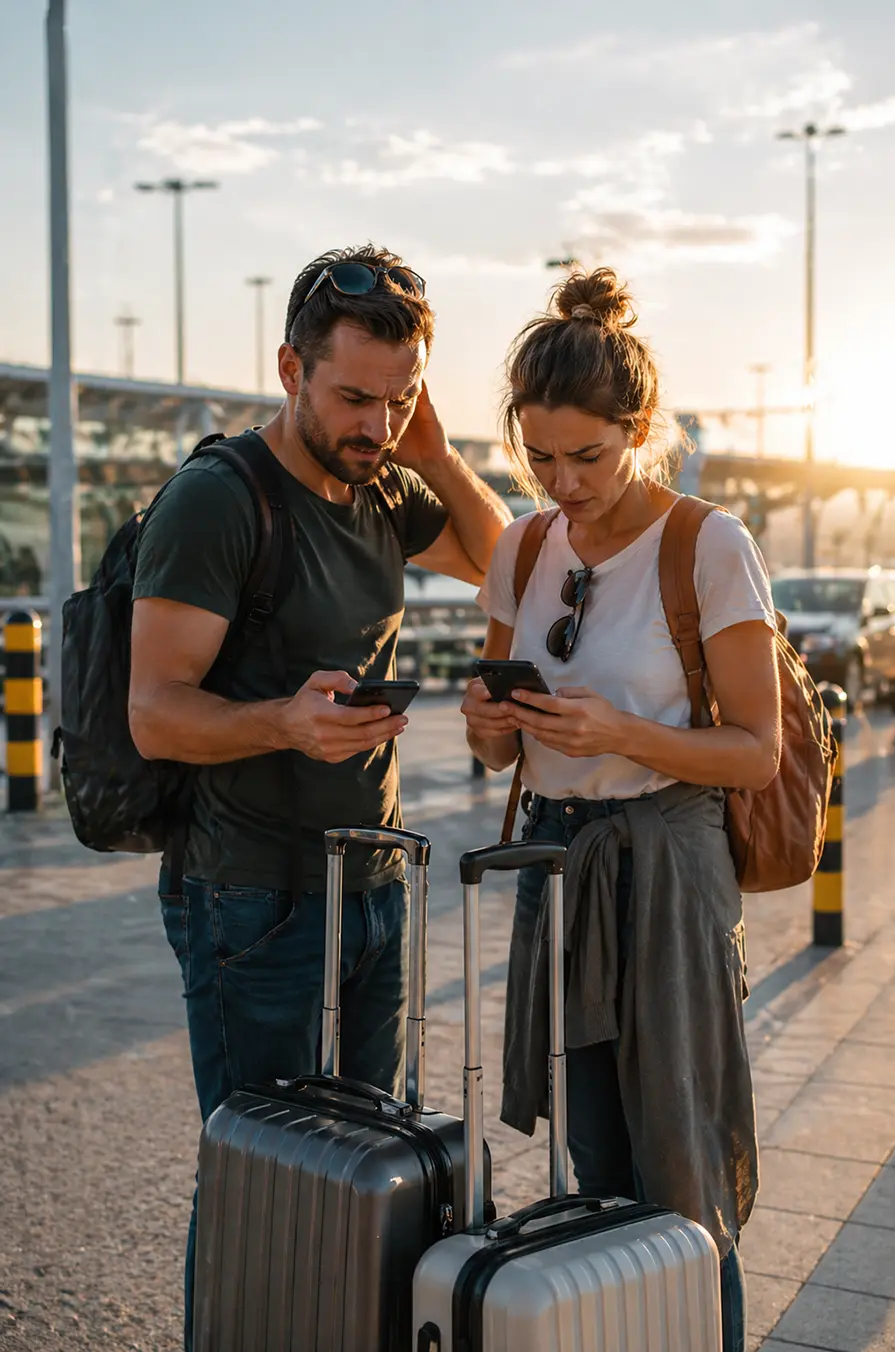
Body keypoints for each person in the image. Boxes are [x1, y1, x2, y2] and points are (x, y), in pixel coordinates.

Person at [129, 244, 511, 1348]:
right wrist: (284, 721)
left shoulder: (387, 484)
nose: (375, 423)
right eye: (353, 397)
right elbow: (157, 709)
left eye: (400, 401)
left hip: (373, 883)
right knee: (264, 1184)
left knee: (363, 1178)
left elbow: (506, 568)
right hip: (253, 900)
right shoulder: (219, 498)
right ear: (290, 365)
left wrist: (439, 457)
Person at [462, 266, 780, 1352]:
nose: (562, 481)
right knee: (592, 1165)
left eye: (587, 457)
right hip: (558, 858)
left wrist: (621, 733)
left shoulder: (708, 545)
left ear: (638, 428)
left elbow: (756, 748)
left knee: (680, 1171)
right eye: (538, 456)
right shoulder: (521, 546)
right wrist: (489, 718)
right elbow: (493, 743)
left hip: (668, 860)